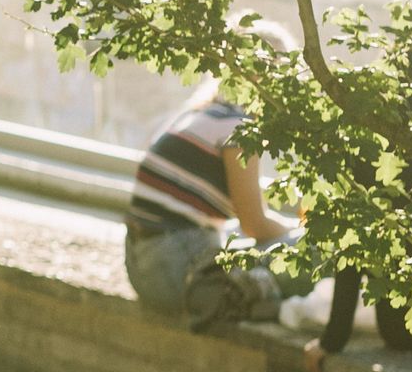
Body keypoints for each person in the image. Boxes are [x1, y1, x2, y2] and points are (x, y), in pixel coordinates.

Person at [125, 29, 300, 328]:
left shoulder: (201, 114)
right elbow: (255, 224)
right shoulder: (238, 127)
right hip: (175, 269)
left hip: (141, 265)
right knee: (299, 252)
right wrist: (297, 232)